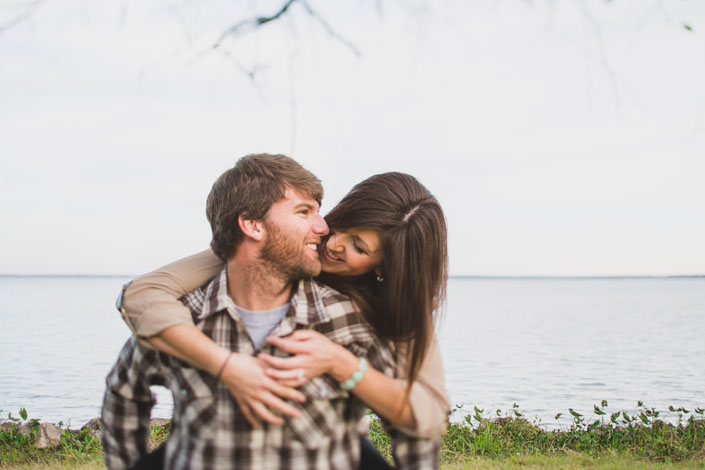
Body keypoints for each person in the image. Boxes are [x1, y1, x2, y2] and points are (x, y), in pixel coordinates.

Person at [102, 154, 439, 470]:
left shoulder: (373, 315)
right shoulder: (262, 254)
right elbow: (142, 295)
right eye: (340, 225)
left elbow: (425, 417)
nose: (330, 240)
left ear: (384, 268)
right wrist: (226, 366)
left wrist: (341, 363)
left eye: (358, 247)